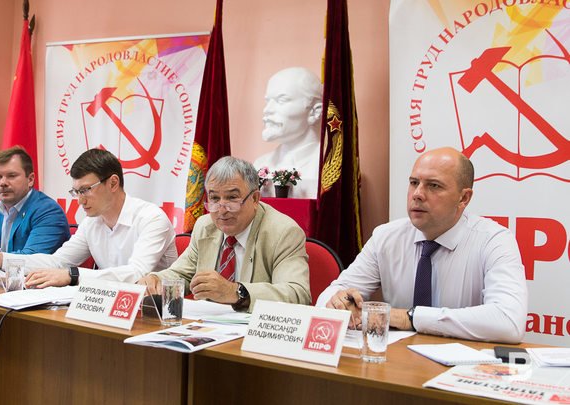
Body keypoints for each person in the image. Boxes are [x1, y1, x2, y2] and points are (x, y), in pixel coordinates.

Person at [317, 147, 527, 344]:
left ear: (464, 198)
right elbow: (329, 296)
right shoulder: (386, 237)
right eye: (413, 182)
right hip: (398, 361)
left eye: (433, 185)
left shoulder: (494, 240)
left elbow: (509, 322)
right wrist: (339, 302)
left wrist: (410, 318)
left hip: (463, 365)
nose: (417, 194)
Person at [0, 148, 178, 286]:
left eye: (86, 190)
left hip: (157, 312)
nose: (80, 200)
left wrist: (73, 275)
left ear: (113, 183)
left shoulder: (152, 219)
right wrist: (2, 259)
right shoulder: (91, 223)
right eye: (76, 192)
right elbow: (58, 262)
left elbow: (137, 273)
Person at [138, 156, 311, 312]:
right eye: (214, 198)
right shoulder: (205, 226)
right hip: (208, 327)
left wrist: (235, 292)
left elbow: (297, 294)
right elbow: (182, 274)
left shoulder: (283, 232)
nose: (221, 209)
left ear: (255, 199)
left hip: (254, 331)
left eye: (232, 198)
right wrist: (156, 279)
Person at [254, 67, 323, 199]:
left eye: (281, 100)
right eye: (268, 101)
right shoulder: (260, 164)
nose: (267, 110)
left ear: (315, 111)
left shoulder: (328, 167)